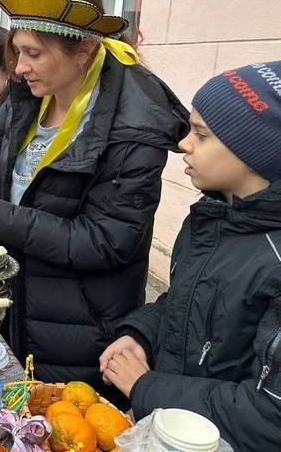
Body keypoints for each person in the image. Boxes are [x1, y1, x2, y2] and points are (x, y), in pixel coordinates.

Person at [0, 0, 189, 404]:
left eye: (33, 53)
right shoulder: (33, 94)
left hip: (80, 328)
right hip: (19, 303)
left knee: (63, 421)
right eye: (16, 52)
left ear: (82, 49)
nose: (20, 67)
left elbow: (105, 241)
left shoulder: (132, 128)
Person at [100, 62, 281, 452]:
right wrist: (141, 335)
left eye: (201, 134)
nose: (184, 143)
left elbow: (271, 416)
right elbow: (186, 301)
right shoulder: (214, 215)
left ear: (255, 152)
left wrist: (147, 387)